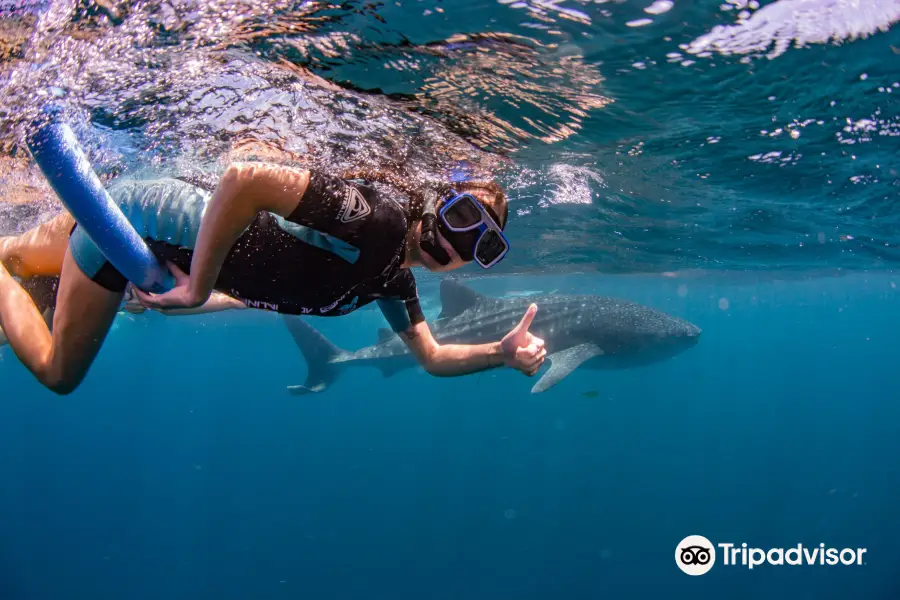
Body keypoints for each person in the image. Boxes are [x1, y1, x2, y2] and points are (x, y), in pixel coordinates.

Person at [0, 161, 546, 394]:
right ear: (435, 205)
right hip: (138, 224)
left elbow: (430, 358)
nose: (454, 244)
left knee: (17, 265)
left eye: (478, 245)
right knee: (57, 373)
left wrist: (499, 352)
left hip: (148, 222)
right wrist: (193, 288)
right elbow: (247, 178)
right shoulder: (376, 222)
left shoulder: (390, 281)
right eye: (458, 219)